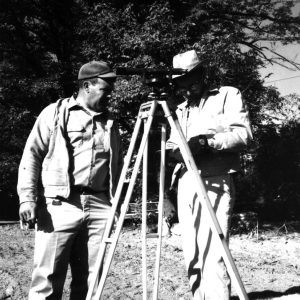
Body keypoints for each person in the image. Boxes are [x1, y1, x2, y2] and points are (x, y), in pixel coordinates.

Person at [17, 60, 123, 300]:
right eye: (105, 89)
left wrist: (113, 204)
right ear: (87, 85)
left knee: (91, 281)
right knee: (47, 279)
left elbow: (116, 164)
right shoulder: (54, 114)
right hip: (60, 205)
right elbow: (31, 155)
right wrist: (27, 199)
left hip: (99, 206)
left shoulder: (110, 121)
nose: (110, 95)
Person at [166, 50, 253, 300]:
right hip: (185, 181)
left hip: (216, 178)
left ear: (202, 74)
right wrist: (174, 153)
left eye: (190, 80)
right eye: (181, 83)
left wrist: (207, 142)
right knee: (191, 248)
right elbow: (172, 145)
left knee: (214, 247)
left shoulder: (227, 95)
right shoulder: (181, 109)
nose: (186, 88)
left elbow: (244, 135)